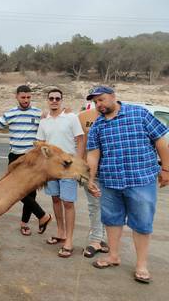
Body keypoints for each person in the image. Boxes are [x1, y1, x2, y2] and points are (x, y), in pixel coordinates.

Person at [86, 86, 169, 283]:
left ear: (114, 97)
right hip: (110, 181)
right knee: (112, 220)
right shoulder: (97, 125)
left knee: (142, 222)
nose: (99, 104)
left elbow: (161, 142)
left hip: (141, 180)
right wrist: (89, 179)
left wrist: (166, 169)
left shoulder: (139, 114)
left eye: (102, 99)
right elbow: (93, 154)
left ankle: (141, 265)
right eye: (96, 102)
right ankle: (113, 256)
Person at [0, 85, 52, 236]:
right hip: (15, 156)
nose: (26, 100)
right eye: (23, 97)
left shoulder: (39, 113)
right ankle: (42, 216)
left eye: (28, 97)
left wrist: (67, 112)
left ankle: (24, 223)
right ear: (17, 97)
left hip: (32, 157)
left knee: (30, 192)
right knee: (16, 189)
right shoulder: (10, 113)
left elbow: (54, 122)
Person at [36, 88, 84, 258]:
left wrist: (78, 162)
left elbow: (80, 139)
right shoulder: (44, 122)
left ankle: (69, 241)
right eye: (51, 98)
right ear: (47, 100)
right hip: (52, 168)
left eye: (57, 98)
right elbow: (41, 144)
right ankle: (61, 232)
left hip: (68, 167)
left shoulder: (71, 118)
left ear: (62, 100)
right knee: (56, 199)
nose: (54, 101)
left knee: (68, 203)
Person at [78, 103, 109, 258]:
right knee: (95, 205)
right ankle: (96, 240)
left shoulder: (113, 115)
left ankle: (101, 238)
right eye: (96, 100)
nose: (99, 103)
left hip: (110, 170)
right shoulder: (83, 116)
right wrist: (79, 168)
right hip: (90, 170)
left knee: (107, 206)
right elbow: (80, 143)